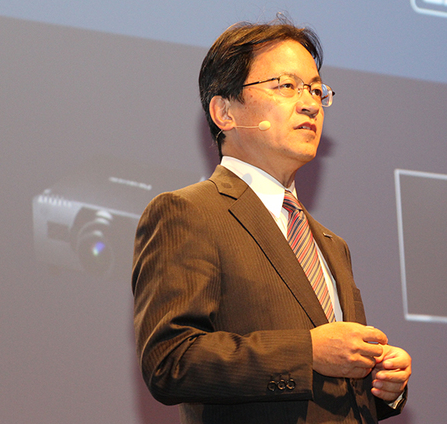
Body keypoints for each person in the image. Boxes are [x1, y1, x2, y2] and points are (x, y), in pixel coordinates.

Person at [132, 16, 411, 424]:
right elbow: (171, 361)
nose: (310, 103)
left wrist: (383, 382)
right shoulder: (188, 213)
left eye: (316, 89)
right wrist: (307, 353)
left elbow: (334, 386)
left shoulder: (330, 244)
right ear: (225, 111)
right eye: (286, 86)